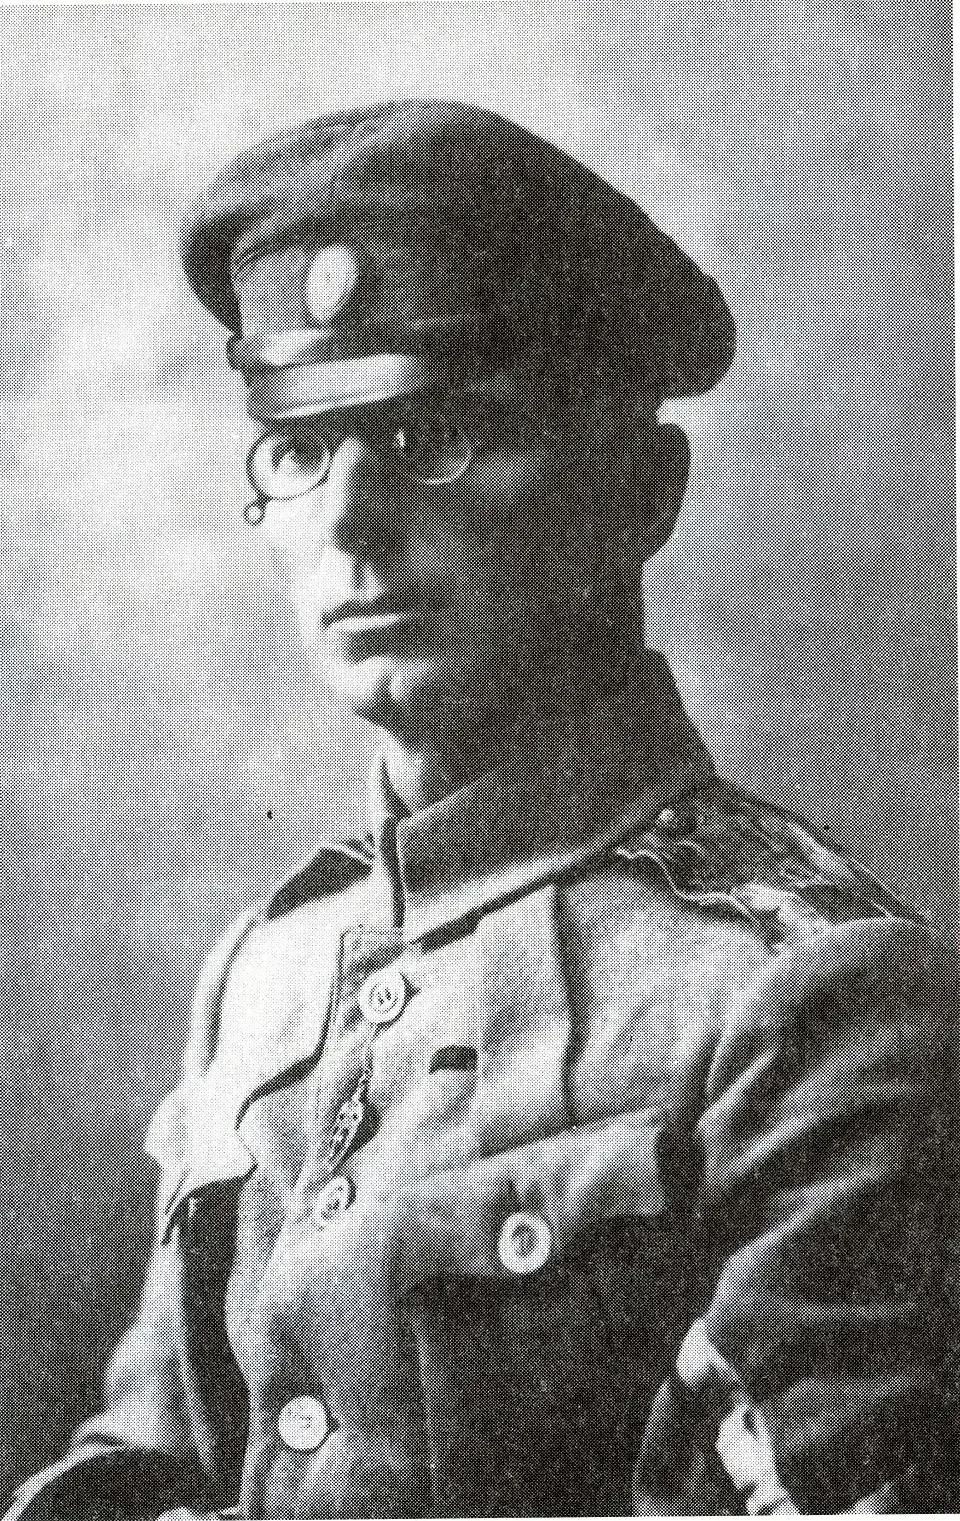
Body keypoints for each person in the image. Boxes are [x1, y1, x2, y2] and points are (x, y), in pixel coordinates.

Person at [6, 100, 956, 1520]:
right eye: (300, 448)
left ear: (639, 494)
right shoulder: (269, 978)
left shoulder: (817, 1004)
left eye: (431, 435)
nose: (350, 520)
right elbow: (147, 1463)